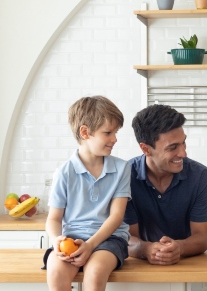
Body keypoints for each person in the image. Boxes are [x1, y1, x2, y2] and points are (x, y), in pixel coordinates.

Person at [45, 96, 131, 291]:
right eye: (108, 133)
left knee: (95, 273)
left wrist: (90, 245)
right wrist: (56, 240)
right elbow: (54, 219)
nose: (114, 139)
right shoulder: (64, 172)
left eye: (115, 132)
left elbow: (117, 216)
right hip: (71, 239)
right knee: (56, 273)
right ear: (85, 132)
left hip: (109, 239)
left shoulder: (122, 168)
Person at [125, 104, 207, 265]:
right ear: (146, 149)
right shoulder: (125, 177)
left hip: (186, 264)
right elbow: (126, 238)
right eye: (173, 147)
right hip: (140, 266)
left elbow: (202, 237)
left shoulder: (200, 175)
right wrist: (145, 249)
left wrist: (179, 247)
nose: (183, 153)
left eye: (183, 143)